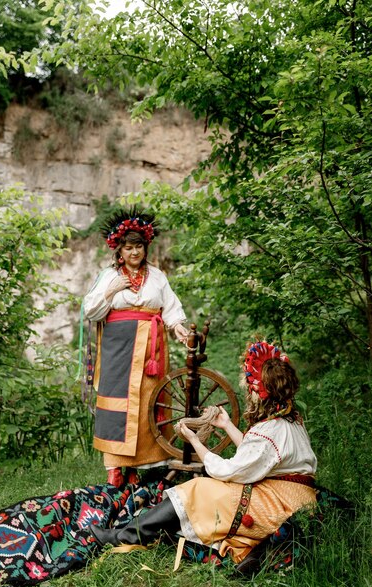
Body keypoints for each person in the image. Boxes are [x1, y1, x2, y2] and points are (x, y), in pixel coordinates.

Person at [90, 340, 318, 568]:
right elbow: (259, 456)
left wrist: (195, 441)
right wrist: (227, 424)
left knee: (201, 489)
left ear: (259, 393)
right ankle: (139, 532)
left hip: (277, 506)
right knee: (207, 495)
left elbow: (228, 471)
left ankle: (124, 536)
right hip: (294, 499)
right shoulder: (290, 421)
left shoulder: (269, 431)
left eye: (250, 389)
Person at [83, 210, 188, 489]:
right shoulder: (109, 276)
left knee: (147, 402)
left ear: (146, 247)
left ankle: (139, 466)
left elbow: (170, 307)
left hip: (152, 347)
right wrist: (111, 290)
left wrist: (178, 327)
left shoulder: (156, 276)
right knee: (117, 405)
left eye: (138, 246)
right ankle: (116, 466)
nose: (134, 252)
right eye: (128, 247)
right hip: (119, 346)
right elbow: (91, 310)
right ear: (119, 249)